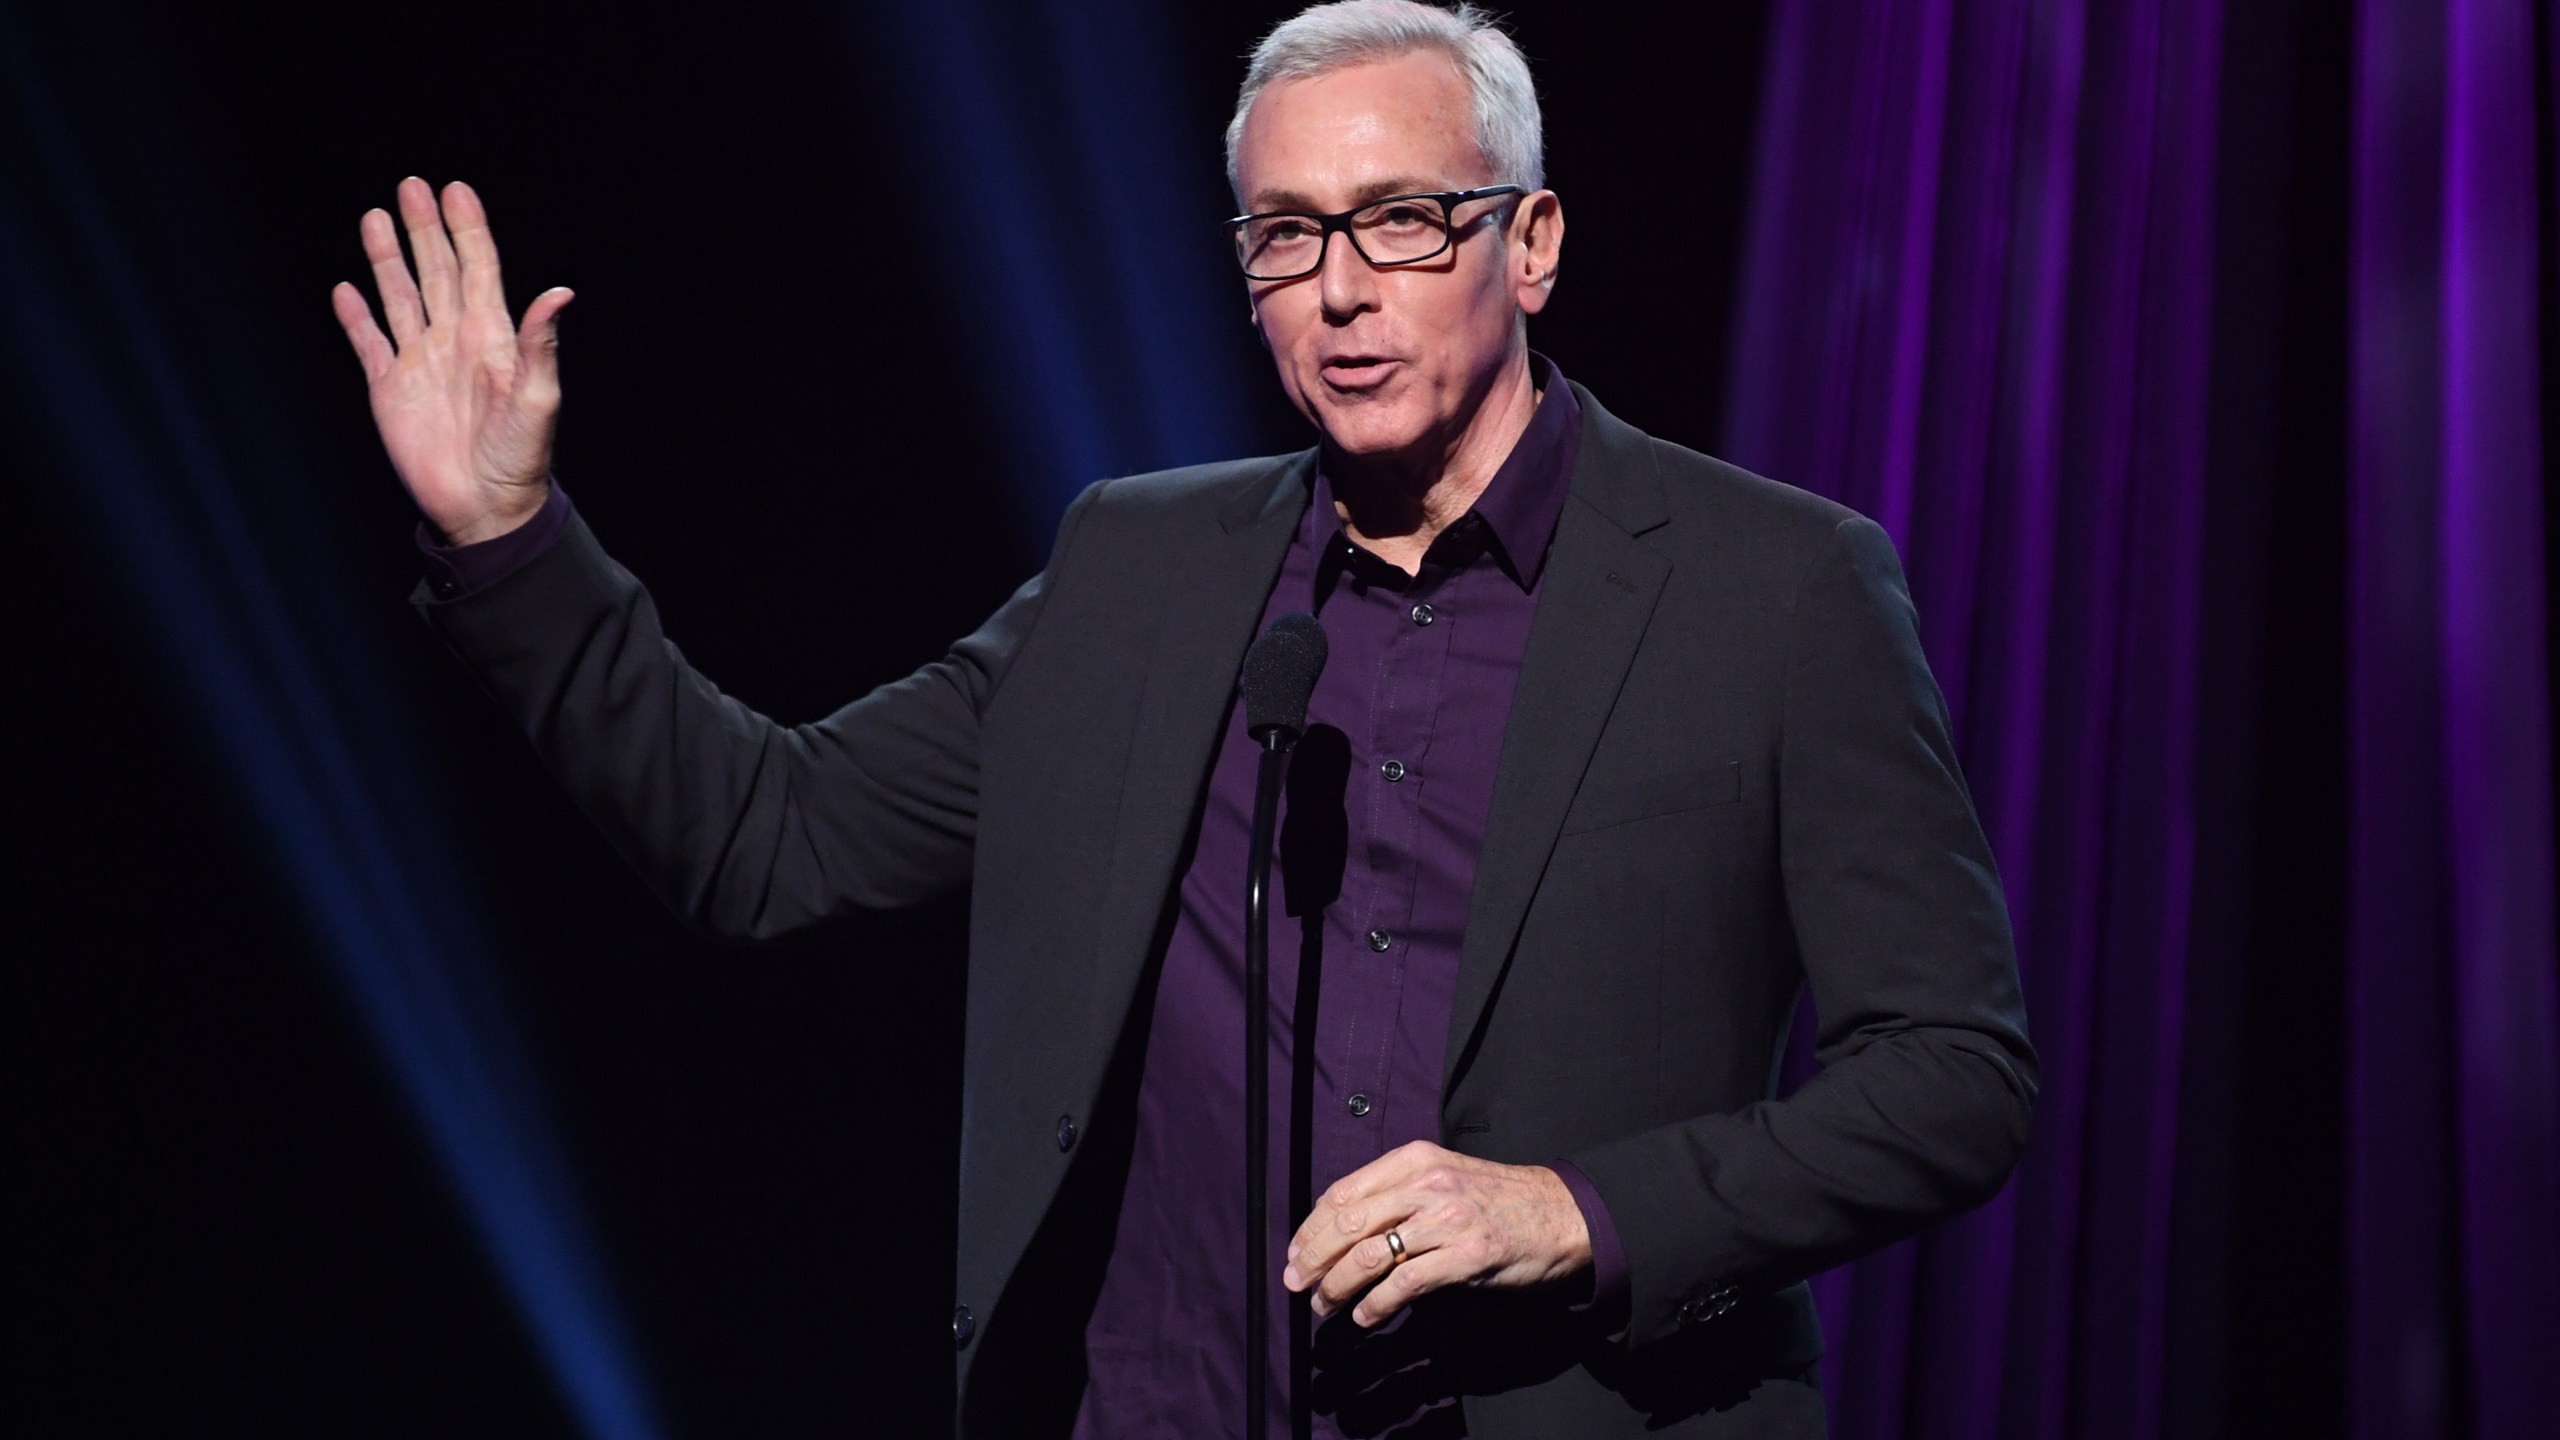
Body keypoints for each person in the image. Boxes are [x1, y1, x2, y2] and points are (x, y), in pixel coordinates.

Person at [331, 3, 2036, 1435]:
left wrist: (1577, 1214)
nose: (1341, 288)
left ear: (1532, 243)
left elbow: (1954, 1077)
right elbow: (762, 842)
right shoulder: (1137, 576)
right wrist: (509, 543)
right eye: (1287, 235)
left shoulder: (1776, 587)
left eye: (1401, 220)